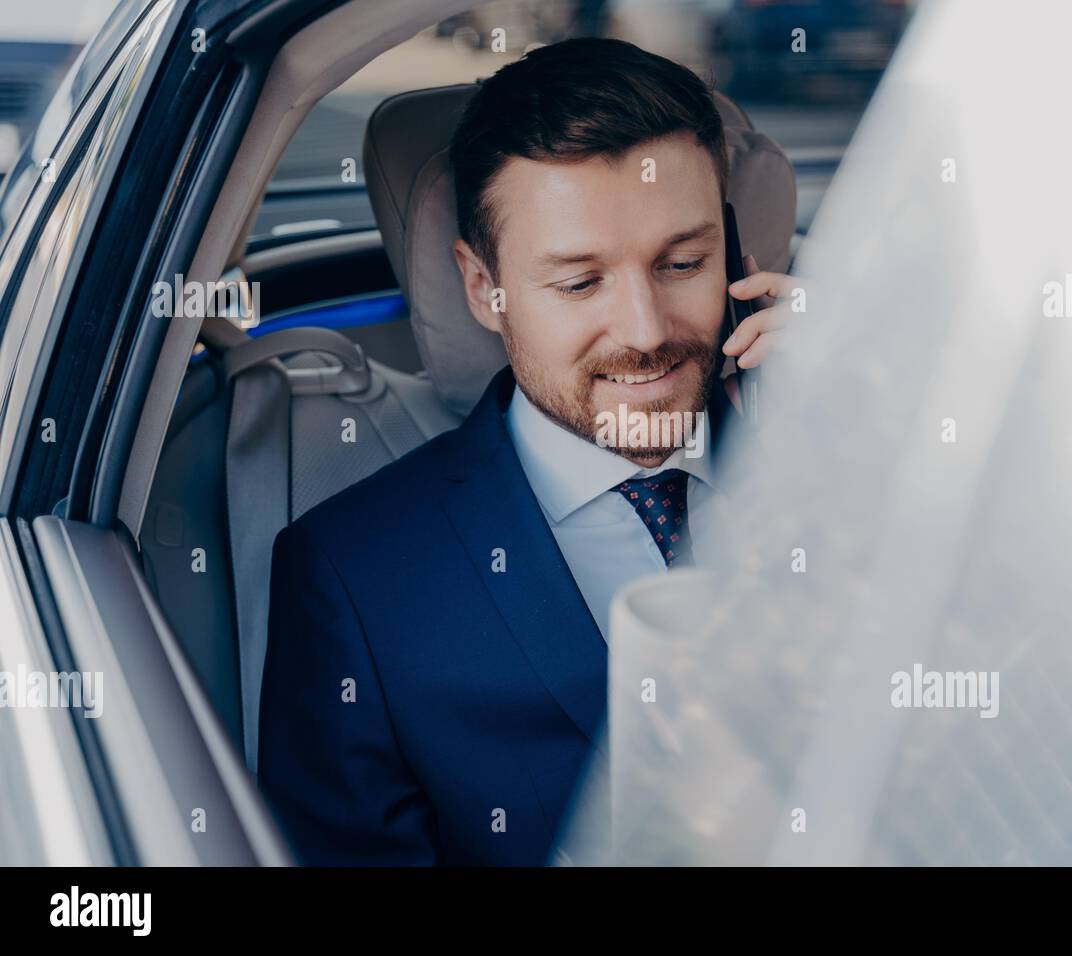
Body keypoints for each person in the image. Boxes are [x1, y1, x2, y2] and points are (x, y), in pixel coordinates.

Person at [258, 37, 799, 865]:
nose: (645, 331)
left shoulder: (848, 471)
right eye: (580, 283)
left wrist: (869, 427)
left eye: (683, 262)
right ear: (485, 289)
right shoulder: (351, 581)